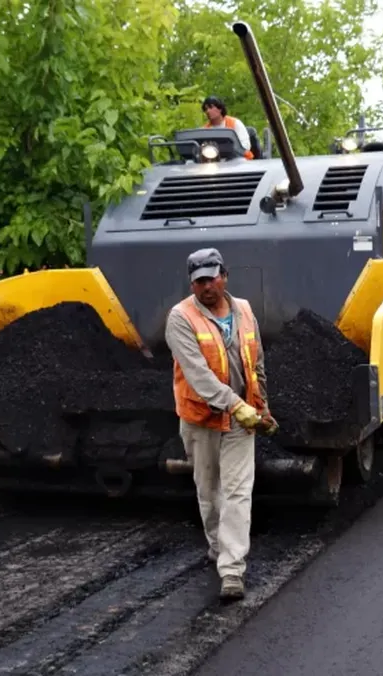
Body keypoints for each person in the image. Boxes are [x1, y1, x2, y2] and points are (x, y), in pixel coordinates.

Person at [165, 247, 277, 601]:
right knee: (209, 492)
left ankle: (232, 570)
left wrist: (261, 406)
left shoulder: (244, 310)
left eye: (212, 278)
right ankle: (217, 546)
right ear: (192, 284)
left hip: (242, 422)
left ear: (224, 275)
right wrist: (236, 405)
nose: (207, 287)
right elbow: (198, 375)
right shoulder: (180, 318)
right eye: (199, 281)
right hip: (201, 420)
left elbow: (255, 361)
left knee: (237, 492)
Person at [201, 96, 254, 160]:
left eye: (211, 107)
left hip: (239, 158)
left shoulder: (235, 123)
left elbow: (246, 145)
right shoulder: (204, 130)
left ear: (220, 108)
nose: (208, 111)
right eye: (206, 109)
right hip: (214, 161)